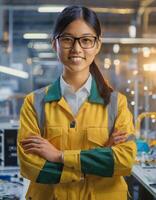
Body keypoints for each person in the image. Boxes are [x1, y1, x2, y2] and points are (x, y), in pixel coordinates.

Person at [17, 5, 136, 200]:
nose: (76, 48)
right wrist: (96, 162)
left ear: (97, 45)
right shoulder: (34, 103)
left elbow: (124, 161)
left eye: (86, 40)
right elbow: (30, 166)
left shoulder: (116, 103)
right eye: (67, 39)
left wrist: (59, 156)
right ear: (54, 44)